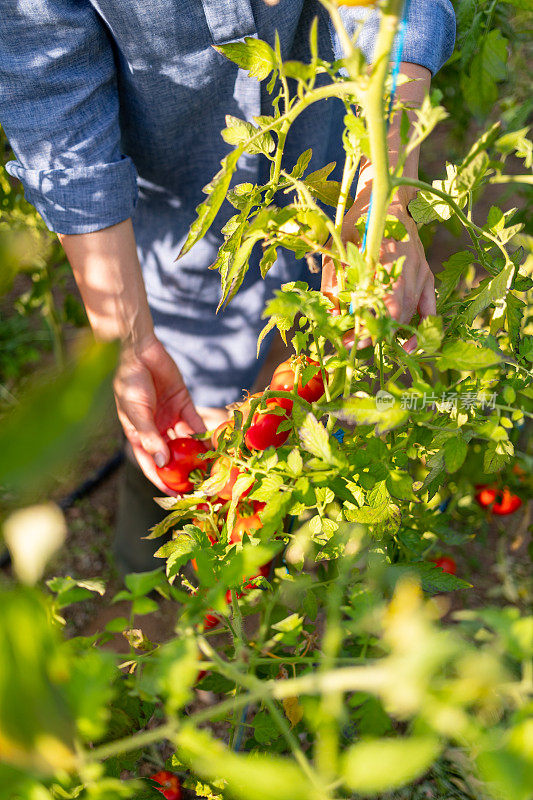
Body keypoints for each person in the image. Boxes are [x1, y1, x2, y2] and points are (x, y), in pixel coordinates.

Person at [0, 0, 455, 573]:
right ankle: (167, 535)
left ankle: (258, 508)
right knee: (182, 402)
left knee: (306, 342)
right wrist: (129, 340)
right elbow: (50, 98)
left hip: (333, 170)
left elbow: (395, 13)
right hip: (170, 209)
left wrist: (383, 205)